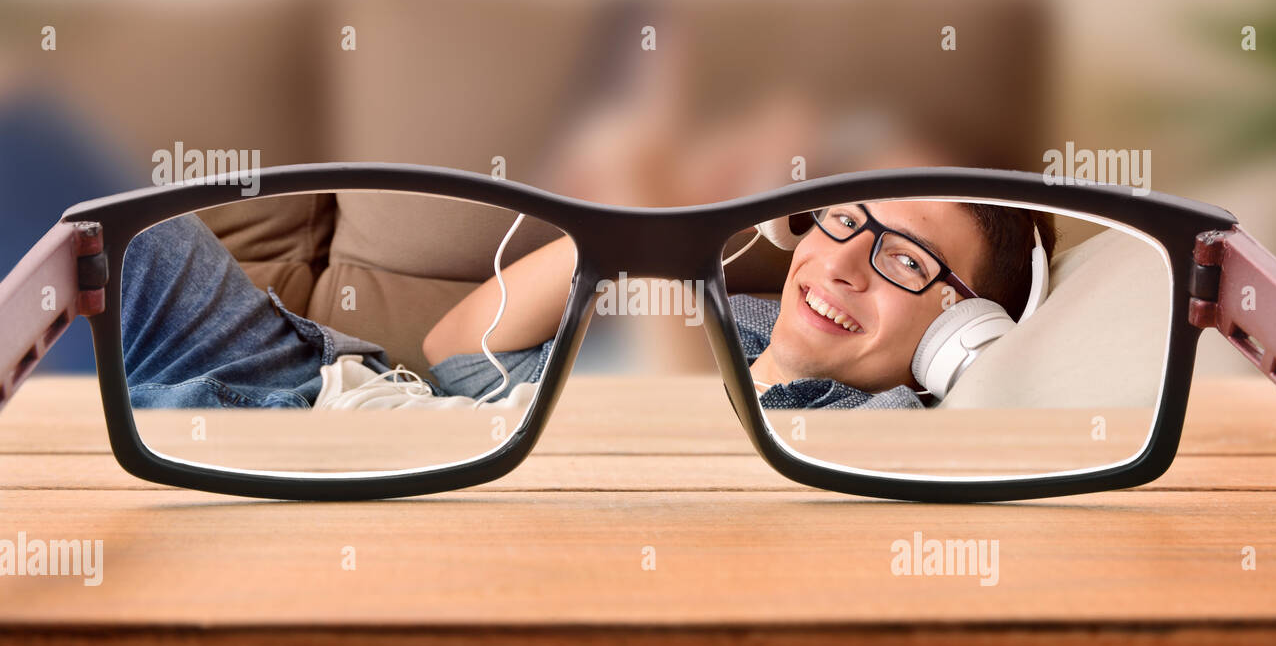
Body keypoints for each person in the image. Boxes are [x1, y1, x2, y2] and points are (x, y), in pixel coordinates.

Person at [423, 199, 1058, 410]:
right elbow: (455, 357)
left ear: (963, 331)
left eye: (906, 260)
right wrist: (635, 225)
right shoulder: (727, 314)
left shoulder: (879, 430)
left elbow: (684, 482)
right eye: (841, 218)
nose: (836, 264)